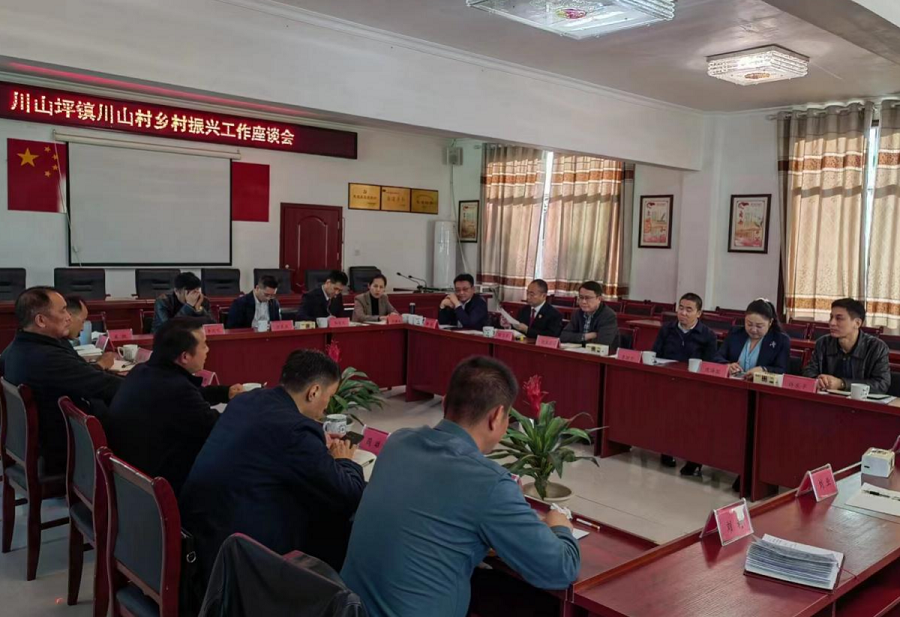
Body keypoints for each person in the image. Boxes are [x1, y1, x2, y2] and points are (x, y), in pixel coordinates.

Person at [341, 357, 580, 617]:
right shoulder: (489, 482)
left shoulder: (398, 442)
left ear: (444, 403)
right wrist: (560, 526)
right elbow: (560, 570)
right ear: (496, 416)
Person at [180, 349, 365, 585]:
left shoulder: (247, 400)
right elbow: (349, 492)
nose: (326, 407)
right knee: (336, 518)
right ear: (314, 391)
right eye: (329, 396)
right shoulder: (296, 431)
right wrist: (344, 460)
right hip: (237, 553)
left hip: (201, 530)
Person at [104, 318, 244, 497]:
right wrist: (246, 405)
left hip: (131, 479)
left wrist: (225, 393)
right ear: (185, 357)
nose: (207, 350)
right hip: (160, 489)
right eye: (204, 345)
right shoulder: (177, 390)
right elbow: (219, 428)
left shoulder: (142, 372)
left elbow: (189, 396)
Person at [2, 287, 122, 474]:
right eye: (63, 310)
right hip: (66, 448)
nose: (69, 317)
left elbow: (84, 375)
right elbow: (103, 386)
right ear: (41, 320)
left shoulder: (17, 347)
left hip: (39, 440)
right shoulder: (46, 358)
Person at [650, 292, 718, 474]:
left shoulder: (708, 335)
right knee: (667, 416)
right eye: (681, 308)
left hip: (694, 385)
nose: (683, 313)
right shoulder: (667, 329)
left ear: (699, 313)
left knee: (693, 420)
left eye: (689, 310)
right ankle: (667, 450)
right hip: (668, 381)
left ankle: (694, 459)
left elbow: (710, 363)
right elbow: (655, 353)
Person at [803, 298, 890, 393]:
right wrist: (819, 380)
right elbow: (808, 372)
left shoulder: (877, 347)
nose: (832, 323)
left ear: (857, 323)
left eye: (839, 318)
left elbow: (881, 384)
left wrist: (842, 384)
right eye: (831, 317)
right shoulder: (823, 343)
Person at [716, 299, 790, 378]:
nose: (753, 330)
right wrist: (728, 365)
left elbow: (782, 370)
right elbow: (718, 357)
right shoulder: (735, 333)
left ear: (770, 322)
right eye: (749, 324)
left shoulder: (781, 340)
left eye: (759, 326)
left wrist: (764, 369)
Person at [559, 281, 619, 347]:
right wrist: (586, 336)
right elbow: (563, 336)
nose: (583, 302)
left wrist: (577, 339)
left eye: (588, 298)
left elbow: (603, 343)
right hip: (579, 350)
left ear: (599, 299)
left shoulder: (608, 316)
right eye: (581, 297)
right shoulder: (577, 313)